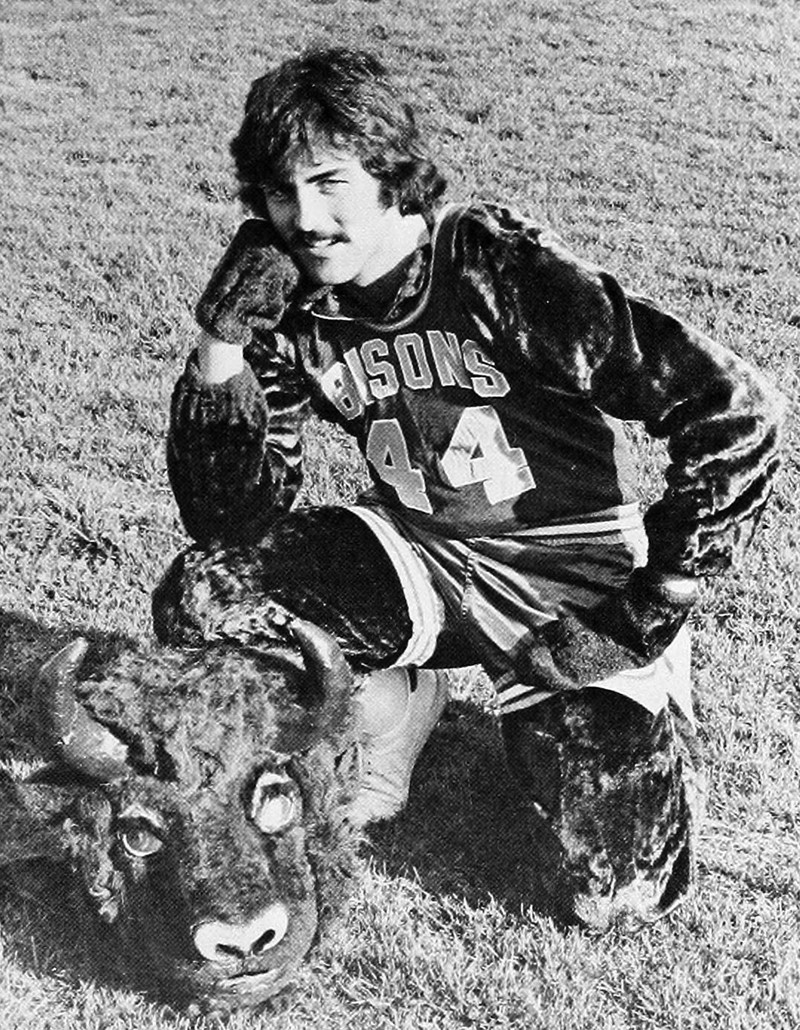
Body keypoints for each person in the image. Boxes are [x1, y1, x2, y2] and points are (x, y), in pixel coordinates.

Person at [153, 46, 786, 929]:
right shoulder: (289, 307)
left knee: (616, 892)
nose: (307, 219)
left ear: (389, 173)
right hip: (420, 553)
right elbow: (233, 522)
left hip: (569, 573)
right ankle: (390, 709)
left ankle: (642, 711)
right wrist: (222, 347)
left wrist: (655, 603)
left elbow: (737, 409)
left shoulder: (487, 262)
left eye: (331, 182)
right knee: (209, 596)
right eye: (280, 194)